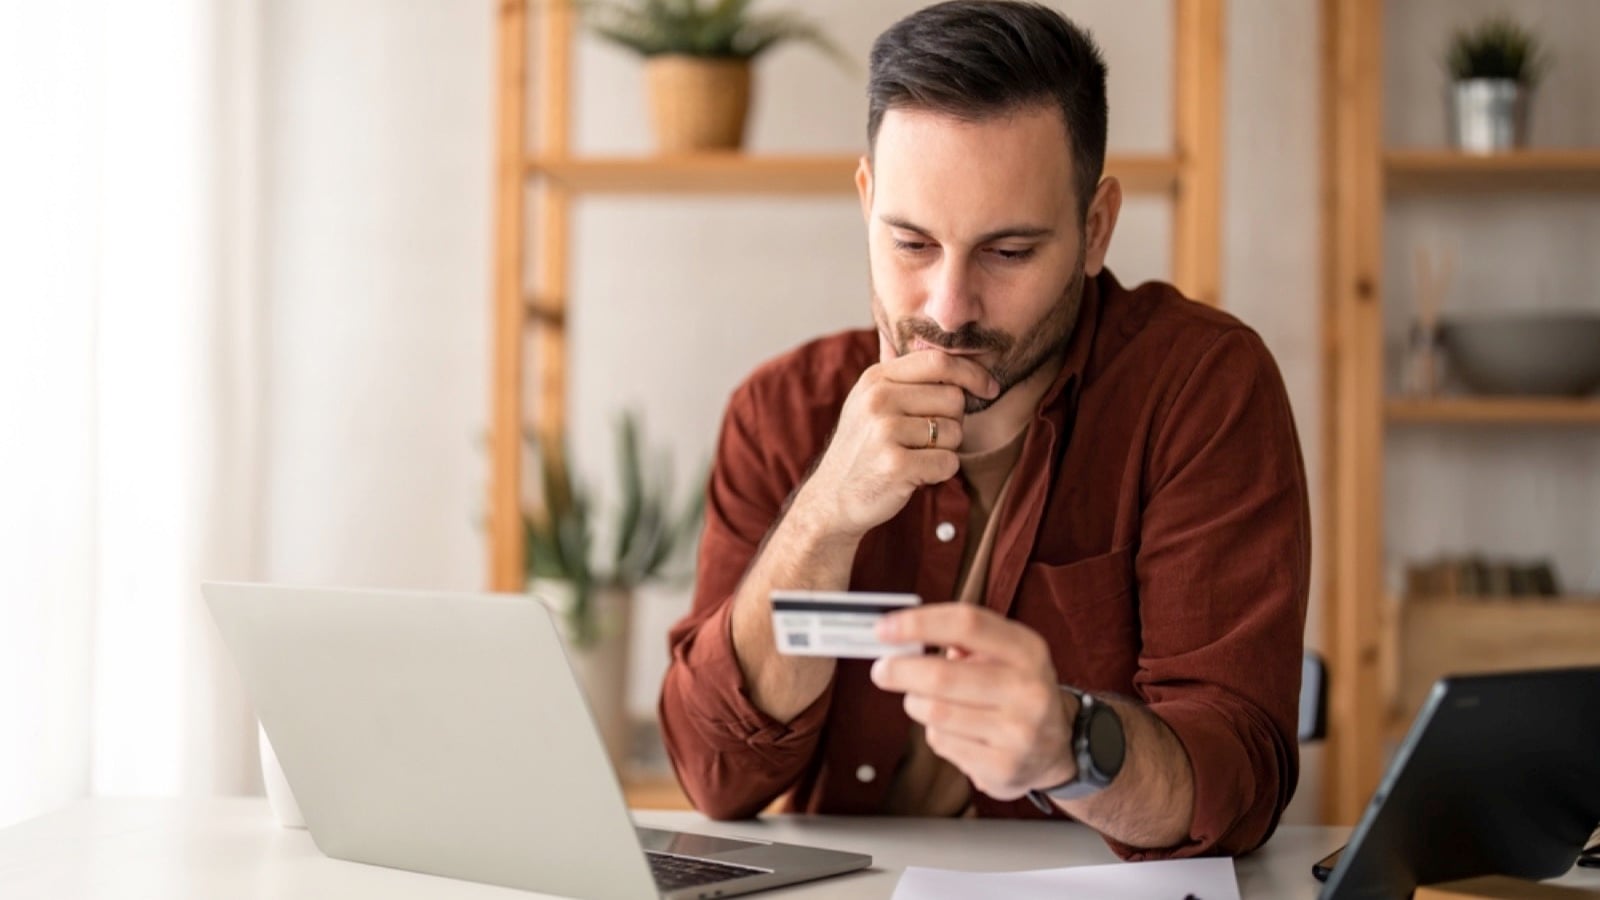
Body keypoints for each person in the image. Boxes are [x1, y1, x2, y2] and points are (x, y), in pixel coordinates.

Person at [658, 0, 1309, 860]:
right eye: (912, 244)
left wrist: (1071, 747)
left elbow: (1240, 782)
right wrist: (821, 516)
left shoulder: (1200, 390)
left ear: (1095, 229)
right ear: (866, 202)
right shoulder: (781, 411)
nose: (948, 310)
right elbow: (715, 773)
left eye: (1008, 253)